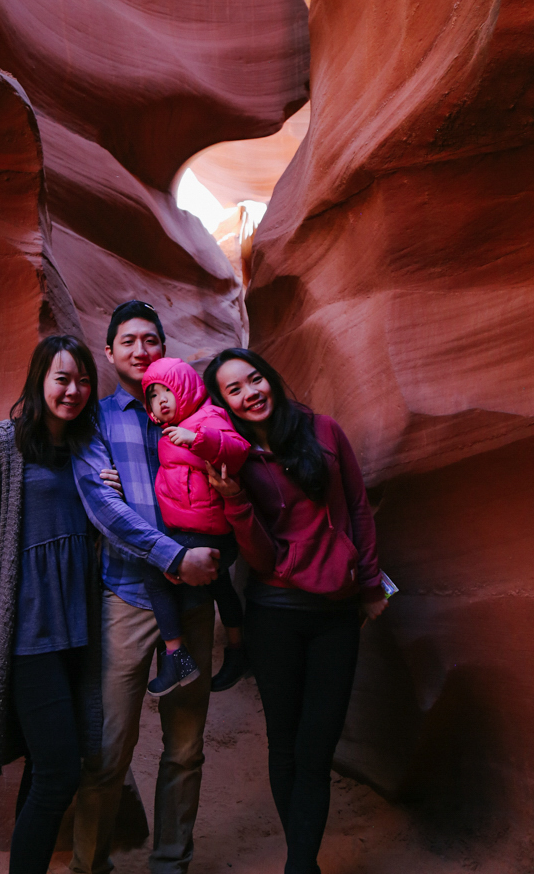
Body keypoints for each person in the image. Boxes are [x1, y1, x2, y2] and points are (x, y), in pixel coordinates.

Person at [70, 301, 244, 874]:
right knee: (109, 746)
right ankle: (89, 864)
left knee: (186, 746)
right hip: (128, 593)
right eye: (129, 342)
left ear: (164, 348)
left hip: (194, 596)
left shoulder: (194, 409)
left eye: (151, 340)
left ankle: (171, 862)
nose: (141, 351)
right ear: (110, 351)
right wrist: (175, 556)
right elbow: (103, 504)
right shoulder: (95, 419)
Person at [202, 348, 388, 874]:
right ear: (224, 404)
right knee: (285, 741)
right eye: (234, 390)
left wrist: (372, 584)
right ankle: (302, 864)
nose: (249, 393)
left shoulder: (324, 430)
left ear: (271, 379)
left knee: (317, 746)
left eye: (254, 379)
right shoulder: (232, 460)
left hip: (336, 611)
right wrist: (235, 499)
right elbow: (259, 557)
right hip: (275, 613)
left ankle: (299, 863)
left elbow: (357, 508)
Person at [0, 335, 107, 874]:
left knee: (45, 768)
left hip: (76, 630)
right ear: (40, 380)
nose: (74, 390)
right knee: (60, 772)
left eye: (84, 381)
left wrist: (108, 495)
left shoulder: (88, 447)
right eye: (62, 378)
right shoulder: (3, 443)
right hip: (25, 634)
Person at [139, 356, 251, 696]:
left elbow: (237, 450)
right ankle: (237, 650)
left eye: (166, 391)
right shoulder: (165, 430)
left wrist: (196, 438)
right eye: (152, 395)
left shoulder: (209, 417)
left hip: (209, 530)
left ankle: (176, 655)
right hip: (190, 528)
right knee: (220, 588)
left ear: (185, 387)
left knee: (154, 570)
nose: (160, 401)